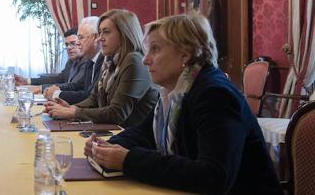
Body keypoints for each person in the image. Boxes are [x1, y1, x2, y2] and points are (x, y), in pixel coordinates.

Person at [84, 12, 283, 195]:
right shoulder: (176, 90)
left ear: (185, 55)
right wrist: (106, 147)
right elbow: (143, 133)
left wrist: (128, 160)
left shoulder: (214, 95)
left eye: (155, 49)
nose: (145, 60)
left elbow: (213, 177)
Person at [45, 9, 158, 127]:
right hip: (114, 132)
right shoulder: (108, 60)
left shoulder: (133, 60)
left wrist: (73, 112)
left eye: (106, 32)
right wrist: (70, 107)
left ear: (124, 33)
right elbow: (93, 100)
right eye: (100, 32)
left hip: (131, 138)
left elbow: (117, 113)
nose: (100, 38)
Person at [43, 17, 103, 104]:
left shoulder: (104, 61)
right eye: (67, 44)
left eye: (81, 38)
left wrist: (57, 94)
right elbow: (80, 85)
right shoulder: (90, 61)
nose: (77, 43)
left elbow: (89, 96)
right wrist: (57, 89)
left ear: (96, 37)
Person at [14, 28, 83, 90]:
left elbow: (73, 86)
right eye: (67, 45)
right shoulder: (71, 61)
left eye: (73, 43)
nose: (69, 48)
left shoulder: (87, 62)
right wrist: (27, 81)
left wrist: (40, 88)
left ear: (81, 43)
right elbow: (59, 79)